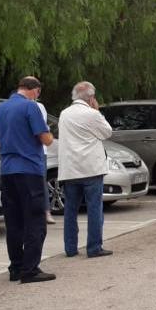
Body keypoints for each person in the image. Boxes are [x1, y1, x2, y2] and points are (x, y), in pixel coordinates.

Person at [0, 76, 56, 283]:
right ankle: (30, 269)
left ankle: (16, 267)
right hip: (29, 169)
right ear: (34, 90)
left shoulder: (0, 109)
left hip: (7, 170)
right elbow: (45, 138)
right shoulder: (31, 107)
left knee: (13, 221)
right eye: (38, 92)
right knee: (35, 220)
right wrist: (49, 135)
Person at [58, 82, 114, 258]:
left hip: (70, 168)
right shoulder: (92, 114)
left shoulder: (64, 114)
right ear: (90, 98)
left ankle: (70, 247)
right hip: (91, 168)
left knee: (70, 210)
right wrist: (97, 111)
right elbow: (107, 133)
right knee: (94, 208)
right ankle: (94, 247)